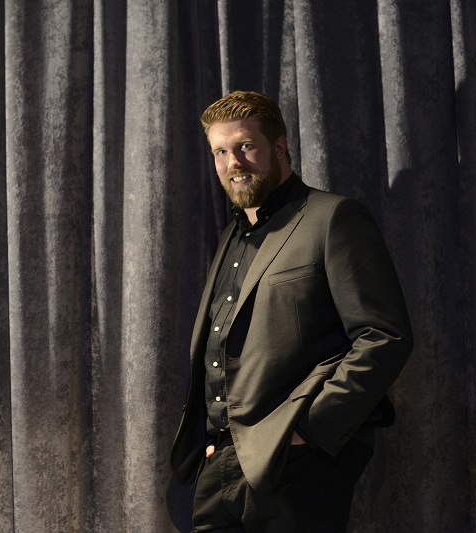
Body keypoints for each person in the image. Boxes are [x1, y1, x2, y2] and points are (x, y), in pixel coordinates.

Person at [170, 91, 413, 532]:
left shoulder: (333, 217)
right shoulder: (230, 236)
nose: (233, 163)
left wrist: (308, 432)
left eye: (245, 146)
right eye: (221, 152)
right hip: (220, 464)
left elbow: (383, 335)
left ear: (279, 146)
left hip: (295, 464)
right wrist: (214, 446)